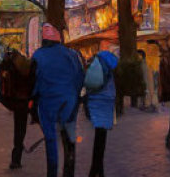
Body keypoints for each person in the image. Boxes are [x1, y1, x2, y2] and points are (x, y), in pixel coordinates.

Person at [32, 23, 84, 177]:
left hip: (47, 103)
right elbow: (80, 77)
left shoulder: (38, 55)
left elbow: (34, 80)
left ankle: (52, 172)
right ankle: (69, 172)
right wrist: (74, 95)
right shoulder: (71, 54)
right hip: (69, 101)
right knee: (69, 137)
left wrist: (35, 97)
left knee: (51, 139)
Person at [0, 46, 36, 170]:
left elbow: (2, 88)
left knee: (19, 130)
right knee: (22, 129)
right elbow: (32, 81)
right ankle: (17, 157)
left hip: (15, 101)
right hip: (26, 101)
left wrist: (8, 103)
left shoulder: (5, 65)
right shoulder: (26, 64)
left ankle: (16, 157)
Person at [83, 41, 117, 177]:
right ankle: (94, 171)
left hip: (94, 101)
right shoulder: (109, 64)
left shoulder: (95, 62)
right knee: (101, 140)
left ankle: (98, 170)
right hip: (105, 102)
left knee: (99, 137)